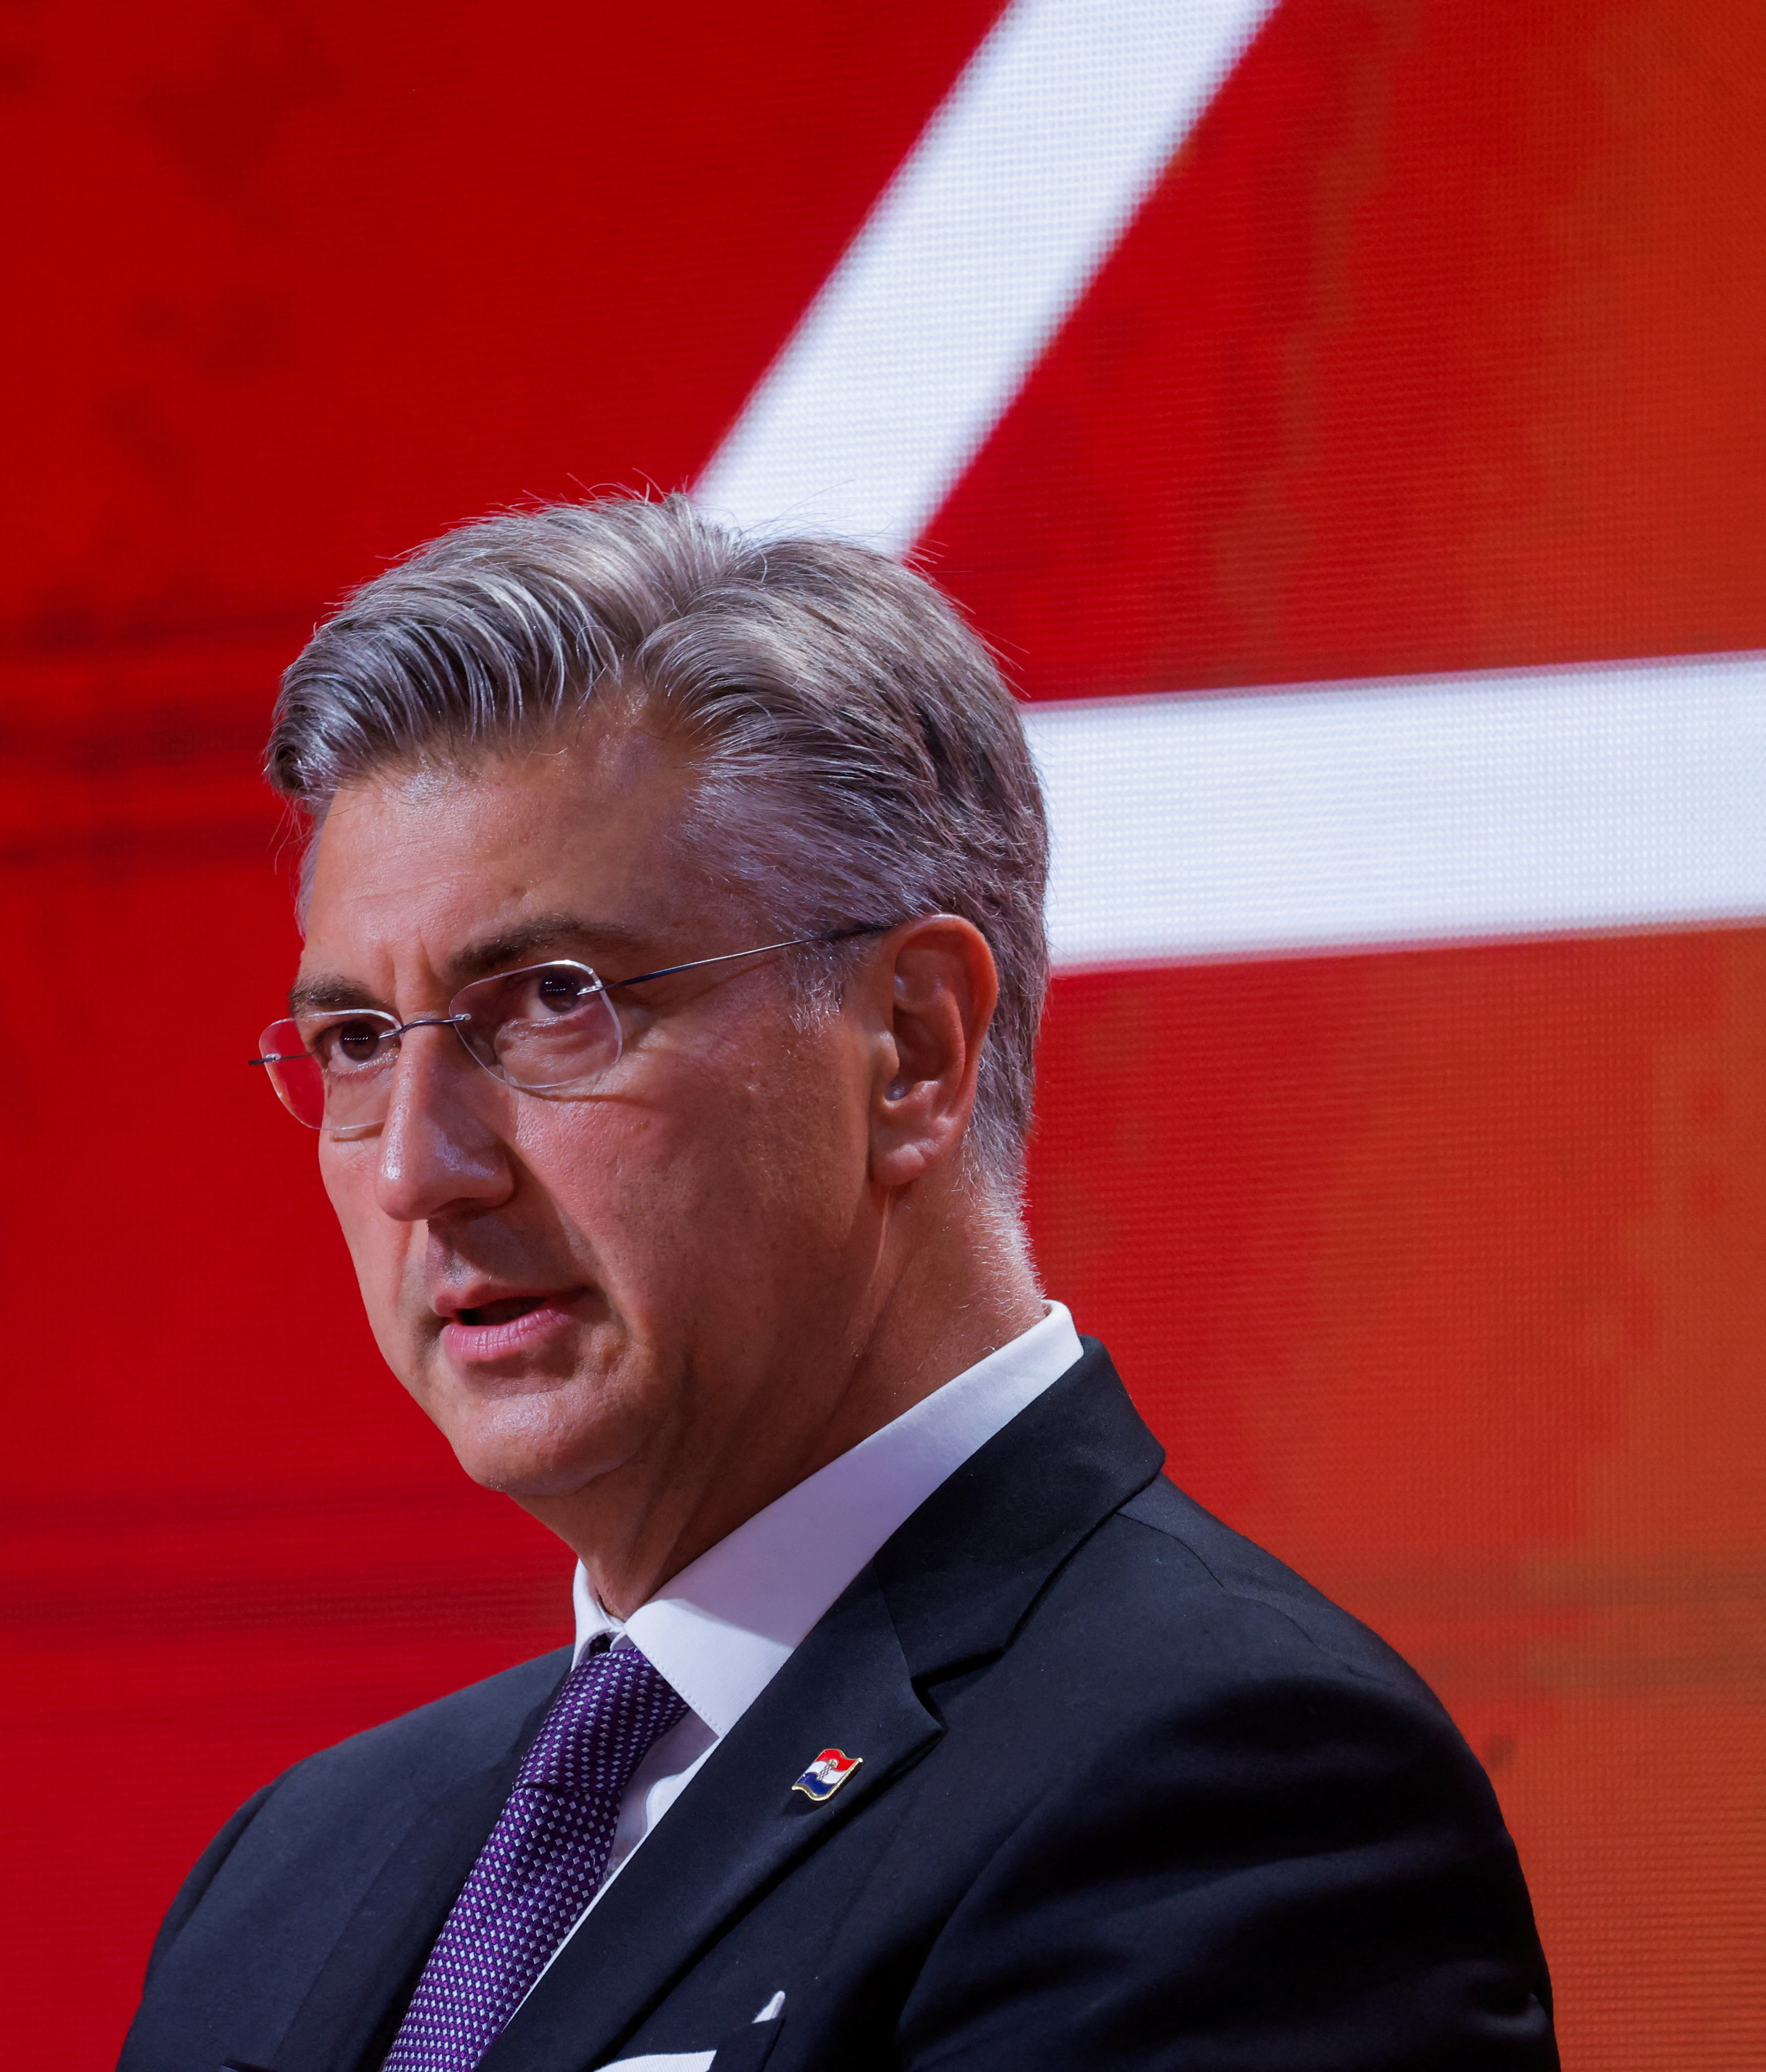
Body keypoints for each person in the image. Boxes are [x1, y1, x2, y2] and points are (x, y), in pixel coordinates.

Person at [116, 497, 1554, 2071]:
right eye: (355, 1044)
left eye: (550, 1003)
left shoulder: (1230, 1785)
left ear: (911, 1049)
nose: (417, 1169)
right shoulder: (294, 1868)